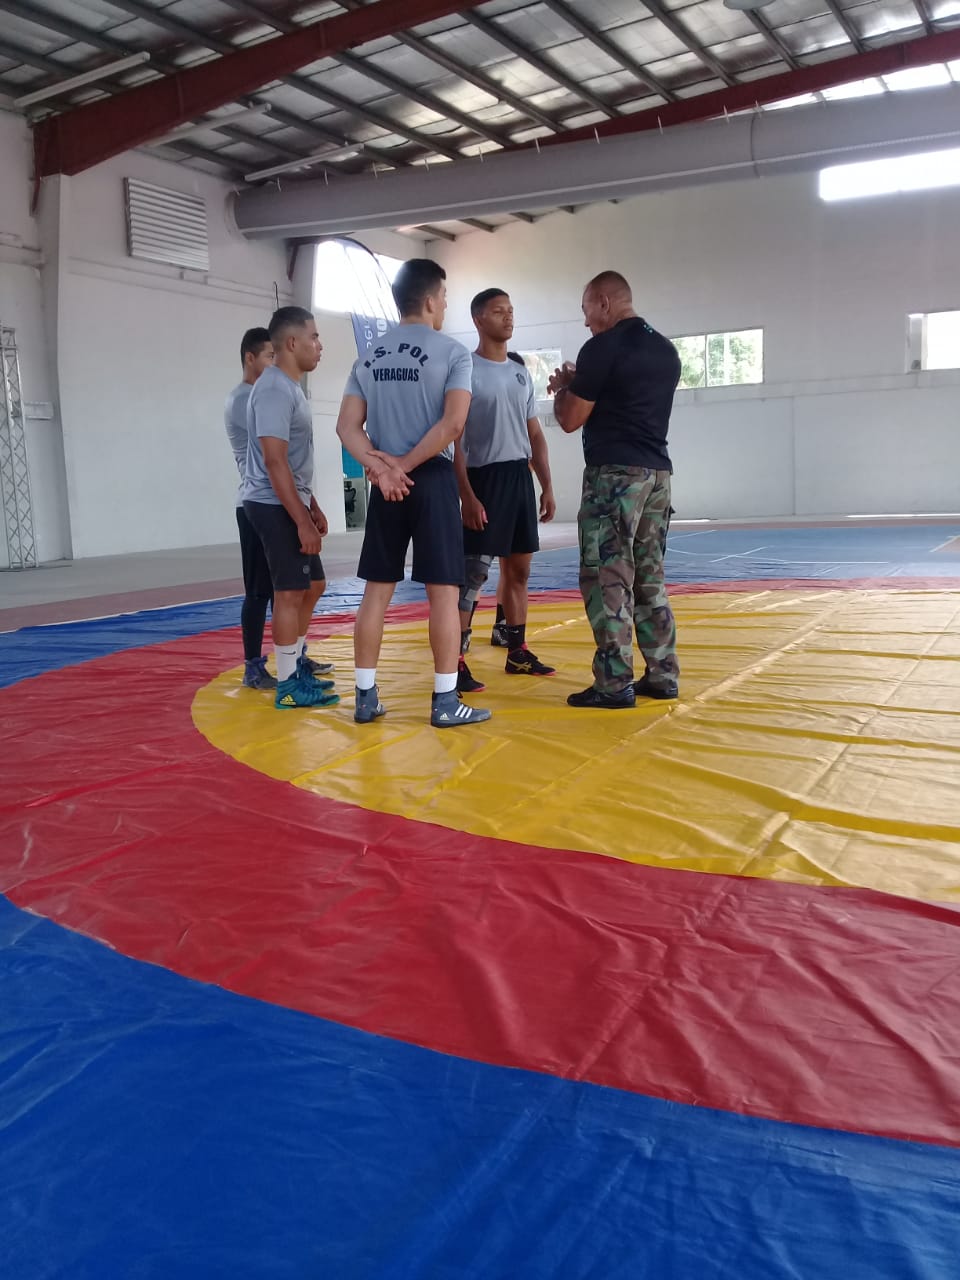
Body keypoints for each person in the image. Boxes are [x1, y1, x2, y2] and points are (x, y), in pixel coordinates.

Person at [335, 258, 492, 729]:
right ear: (429, 300)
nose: (445, 306)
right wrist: (403, 465)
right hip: (431, 479)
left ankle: (365, 697)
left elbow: (347, 427)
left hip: (387, 486)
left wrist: (382, 469)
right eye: (444, 298)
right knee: (443, 593)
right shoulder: (454, 353)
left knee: (376, 592)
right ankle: (445, 701)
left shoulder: (368, 357)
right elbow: (453, 424)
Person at [548, 270, 681, 708]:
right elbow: (622, 395)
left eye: (586, 309)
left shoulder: (602, 347)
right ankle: (662, 673)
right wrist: (585, 379)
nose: (586, 321)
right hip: (657, 475)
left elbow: (570, 419)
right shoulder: (665, 350)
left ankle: (613, 682)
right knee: (649, 575)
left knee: (606, 576)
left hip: (615, 478)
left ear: (604, 302)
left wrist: (564, 387)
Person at [455, 293, 556, 693]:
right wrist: (467, 495)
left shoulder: (519, 373)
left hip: (518, 479)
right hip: (484, 479)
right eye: (499, 311)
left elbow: (535, 434)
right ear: (478, 320)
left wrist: (546, 485)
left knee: (519, 572)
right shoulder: (466, 370)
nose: (508, 317)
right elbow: (455, 440)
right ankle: (455, 661)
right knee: (472, 576)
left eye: (511, 310)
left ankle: (517, 652)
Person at [242, 306, 339, 710]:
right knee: (289, 592)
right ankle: (286, 685)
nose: (320, 345)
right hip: (271, 504)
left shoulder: (290, 388)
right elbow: (274, 460)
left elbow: (292, 462)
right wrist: (301, 520)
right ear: (293, 342)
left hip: (288, 500)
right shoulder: (273, 390)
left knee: (313, 585)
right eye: (314, 337)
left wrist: (311, 505)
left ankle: (295, 666)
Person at [224, 327, 276, 689]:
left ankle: (294, 654)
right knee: (259, 589)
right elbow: (272, 455)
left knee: (289, 588)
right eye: (269, 356)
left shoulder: (260, 396)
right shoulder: (245, 399)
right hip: (256, 503)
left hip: (273, 501)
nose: (274, 363)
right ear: (250, 358)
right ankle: (253, 665)